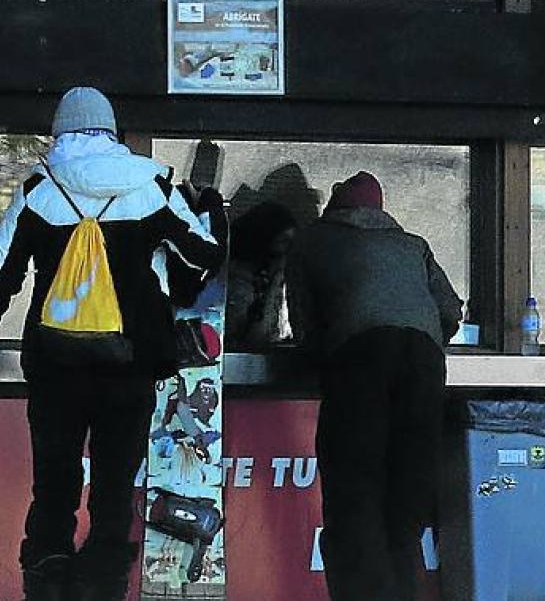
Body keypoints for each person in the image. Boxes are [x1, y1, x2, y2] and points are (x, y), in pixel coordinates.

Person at [0, 87, 225, 601]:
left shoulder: (40, 190)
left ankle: (48, 587)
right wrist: (205, 210)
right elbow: (202, 254)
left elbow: (2, 272)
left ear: (60, 131)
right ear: (112, 131)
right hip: (130, 367)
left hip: (56, 367)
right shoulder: (150, 186)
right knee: (113, 491)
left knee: (53, 489)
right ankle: (100, 589)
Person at [285, 171, 463, 601]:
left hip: (359, 360)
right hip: (423, 362)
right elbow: (451, 311)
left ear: (335, 208)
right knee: (407, 498)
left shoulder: (311, 240)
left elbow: (303, 322)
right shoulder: (412, 244)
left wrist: (324, 357)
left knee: (355, 495)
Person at [226, 201, 297, 347]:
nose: (290, 249)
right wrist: (275, 283)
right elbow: (254, 339)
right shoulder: (239, 281)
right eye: (284, 241)